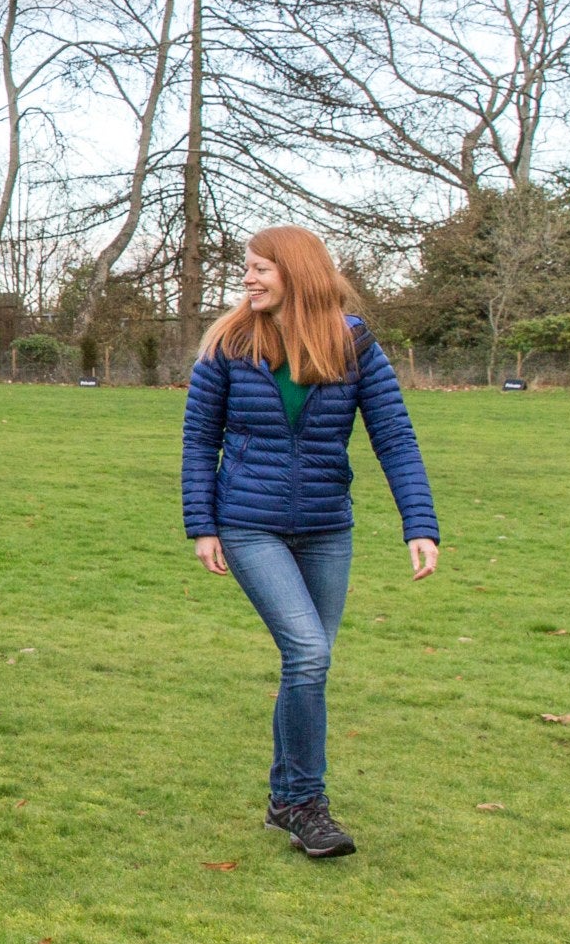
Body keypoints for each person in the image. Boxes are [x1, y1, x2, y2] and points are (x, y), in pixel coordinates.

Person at [184, 225, 440, 860]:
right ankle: (305, 803)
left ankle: (285, 800)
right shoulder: (228, 344)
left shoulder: (354, 346)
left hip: (328, 528)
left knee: (310, 663)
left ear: (297, 273)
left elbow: (396, 438)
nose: (248, 278)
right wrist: (203, 525)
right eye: (247, 268)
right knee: (307, 652)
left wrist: (420, 523)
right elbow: (198, 440)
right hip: (249, 523)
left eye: (261, 269)